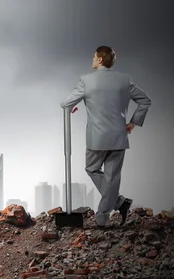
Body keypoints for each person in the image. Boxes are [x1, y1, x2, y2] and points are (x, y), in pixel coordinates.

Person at [60, 46, 152, 227]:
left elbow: (66, 103)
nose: (92, 59)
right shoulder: (124, 81)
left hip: (97, 138)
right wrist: (133, 122)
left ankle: (109, 212)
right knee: (112, 178)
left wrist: (72, 107)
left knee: (92, 169)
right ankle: (114, 206)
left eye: (94, 56)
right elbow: (145, 100)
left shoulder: (86, 80)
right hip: (119, 137)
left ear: (100, 59)